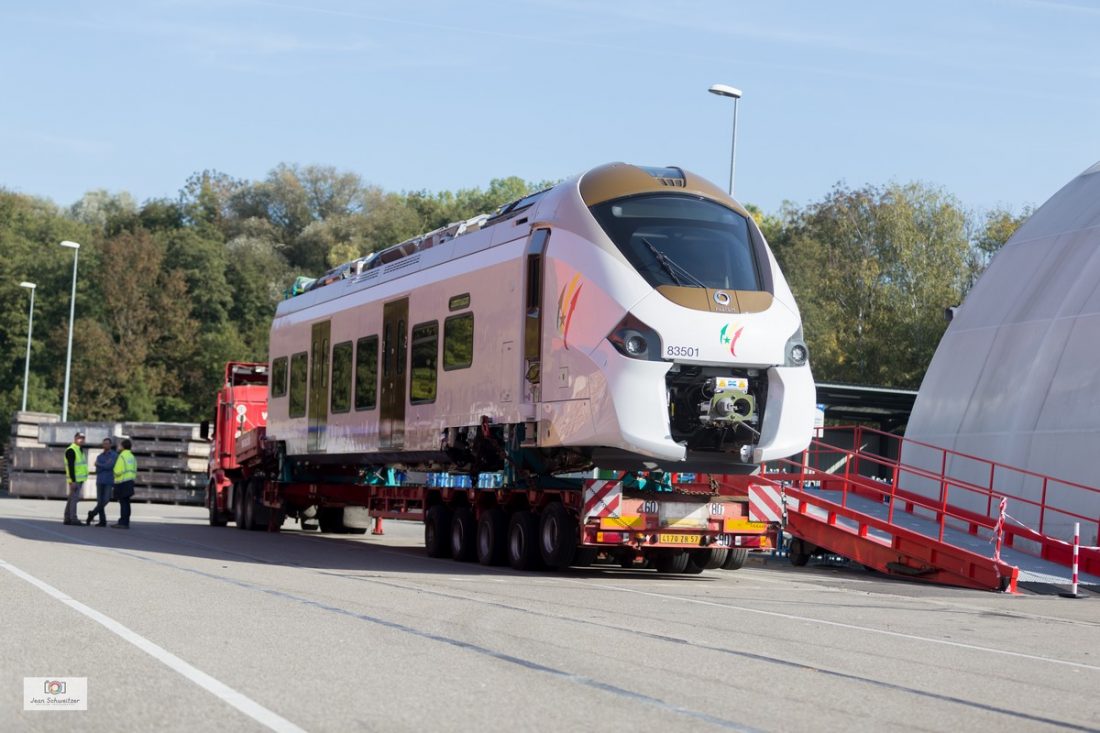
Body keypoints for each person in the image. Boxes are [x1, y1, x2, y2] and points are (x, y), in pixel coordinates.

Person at [87, 438, 117, 526]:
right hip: (100, 480)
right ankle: (102, 521)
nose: (105, 445)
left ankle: (92, 513)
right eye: (104, 444)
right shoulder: (99, 456)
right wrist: (103, 466)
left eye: (107, 443)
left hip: (108, 481)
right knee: (100, 502)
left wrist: (99, 464)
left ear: (110, 445)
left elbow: (110, 466)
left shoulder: (114, 455)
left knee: (106, 500)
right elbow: (98, 470)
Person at [111, 438, 137, 529]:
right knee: (127, 503)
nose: (119, 447)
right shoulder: (132, 456)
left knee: (123, 503)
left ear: (123, 446)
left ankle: (122, 522)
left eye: (120, 445)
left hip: (122, 482)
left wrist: (114, 473)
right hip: (130, 481)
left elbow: (117, 471)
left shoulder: (122, 456)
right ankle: (126, 522)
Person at [63, 431, 87, 525]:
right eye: (79, 438)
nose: (81, 440)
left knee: (71, 498)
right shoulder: (71, 450)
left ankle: (67, 518)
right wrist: (73, 481)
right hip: (75, 480)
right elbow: (71, 467)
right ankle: (73, 518)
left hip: (79, 479)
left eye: (83, 438)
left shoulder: (80, 449)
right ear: (75, 438)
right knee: (74, 499)